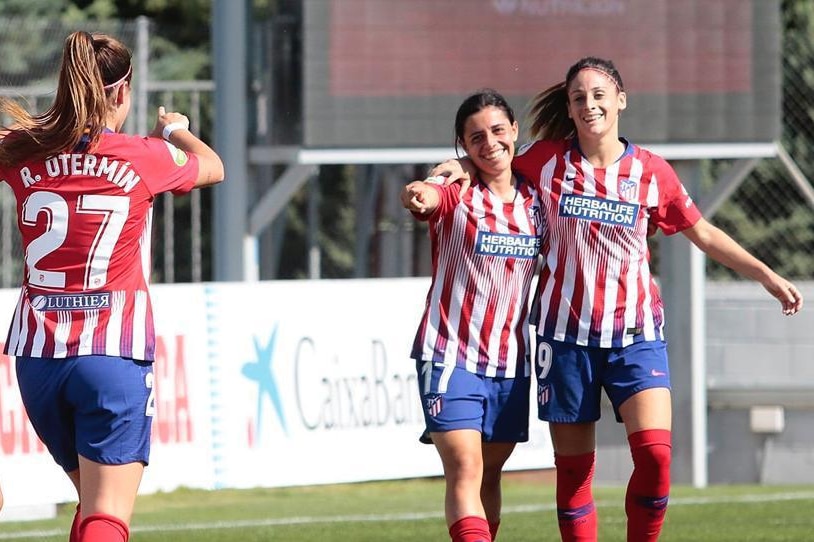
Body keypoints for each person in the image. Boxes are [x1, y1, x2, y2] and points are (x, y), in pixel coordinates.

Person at [431, 57, 803, 542]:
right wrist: (456, 167)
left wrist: (766, 275)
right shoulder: (545, 160)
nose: (590, 105)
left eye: (599, 95)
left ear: (621, 101)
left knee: (655, 456)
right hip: (564, 340)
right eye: (579, 97)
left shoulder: (651, 172)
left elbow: (705, 234)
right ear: (569, 106)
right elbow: (493, 160)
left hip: (635, 337)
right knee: (574, 476)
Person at [0, 31, 224, 542]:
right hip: (112, 354)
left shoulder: (22, 149)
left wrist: (39, 128)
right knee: (107, 516)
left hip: (38, 359)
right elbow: (214, 167)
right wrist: (176, 130)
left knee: (91, 507)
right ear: (122, 93)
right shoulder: (144, 155)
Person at [401, 89, 544, 542]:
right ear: (463, 146)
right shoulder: (458, 193)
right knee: (465, 467)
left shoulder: (539, 203)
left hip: (510, 363)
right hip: (449, 354)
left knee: (489, 476)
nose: (490, 143)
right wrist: (420, 193)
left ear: (515, 131)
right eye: (475, 137)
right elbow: (427, 196)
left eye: (498, 131)